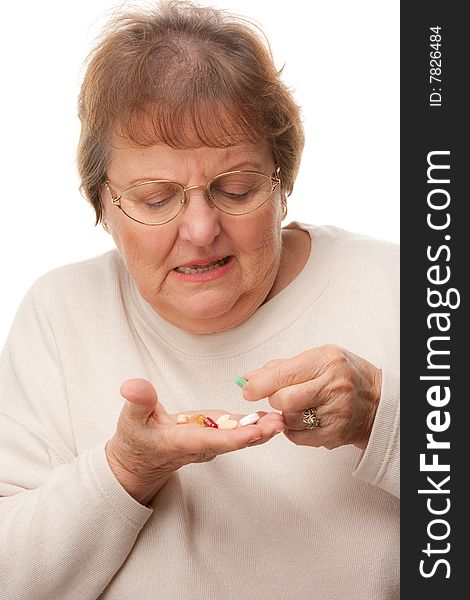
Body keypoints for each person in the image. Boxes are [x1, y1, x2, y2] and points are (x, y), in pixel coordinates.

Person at [0, 1, 399, 598]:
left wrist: (382, 419)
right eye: (157, 198)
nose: (200, 228)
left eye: (234, 188)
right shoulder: (60, 315)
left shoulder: (397, 287)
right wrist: (128, 469)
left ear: (283, 184)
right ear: (102, 206)